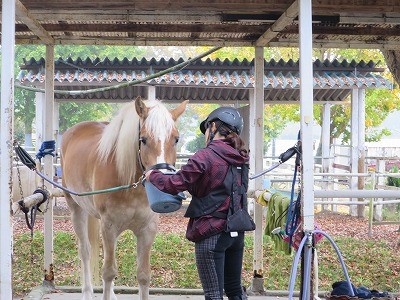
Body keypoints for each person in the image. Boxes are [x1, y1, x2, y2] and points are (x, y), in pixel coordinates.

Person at [145, 106, 250, 300]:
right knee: (235, 291)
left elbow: (174, 184)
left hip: (211, 234)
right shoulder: (242, 158)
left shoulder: (205, 156)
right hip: (236, 234)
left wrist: (153, 175)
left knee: (213, 294)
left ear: (213, 127)